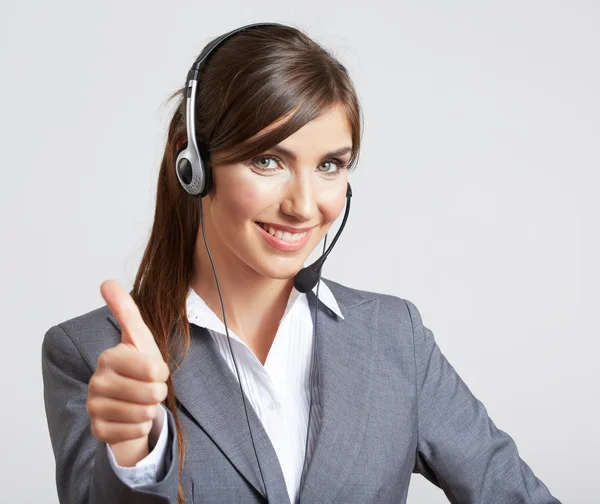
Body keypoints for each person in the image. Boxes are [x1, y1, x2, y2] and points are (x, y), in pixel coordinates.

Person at [41, 22, 561, 504]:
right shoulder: (89, 354)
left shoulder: (394, 338)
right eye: (268, 160)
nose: (305, 205)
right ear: (192, 165)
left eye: (330, 165)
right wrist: (136, 453)